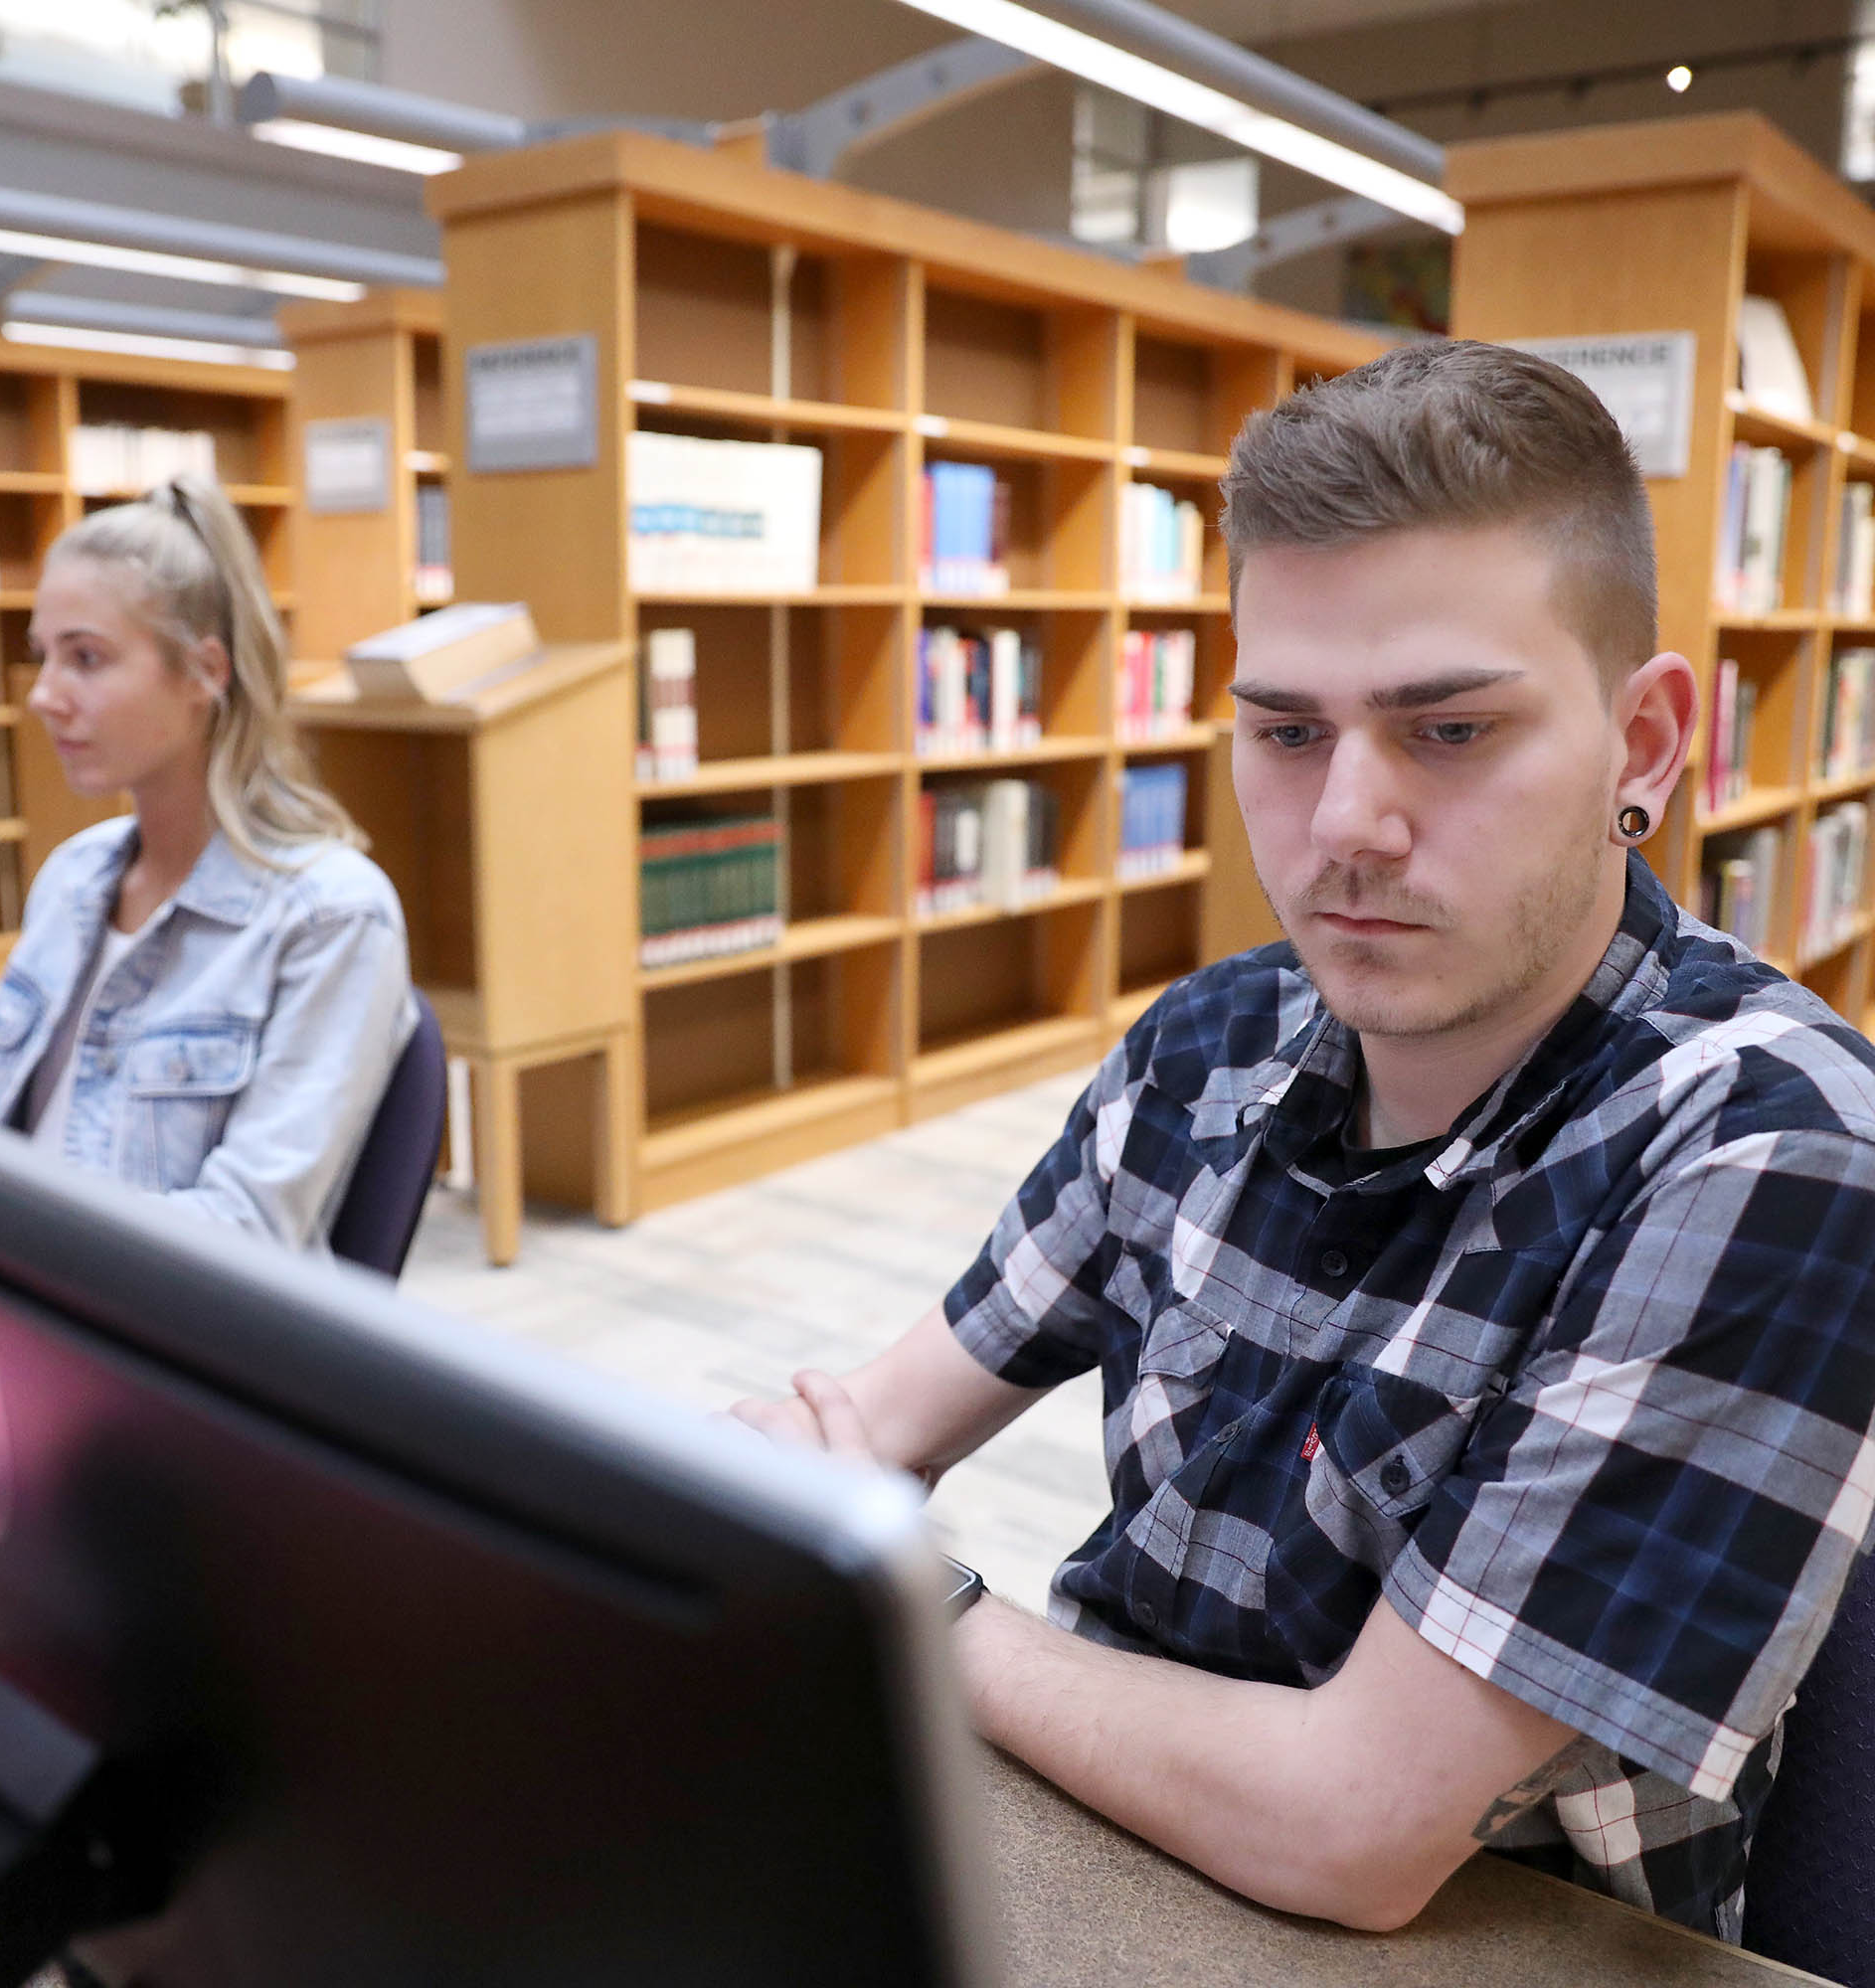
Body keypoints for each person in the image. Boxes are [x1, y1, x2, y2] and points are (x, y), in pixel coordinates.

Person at [736, 341, 1875, 1941]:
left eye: (1451, 732)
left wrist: (910, 1600)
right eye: (1285, 734)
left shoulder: (1769, 1145)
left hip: (1489, 1946)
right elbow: (868, 1421)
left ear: (1643, 746)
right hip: (1107, 1847)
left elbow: (1357, 1829)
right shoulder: (1211, 1044)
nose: (1346, 824)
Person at [0, 478, 413, 1252]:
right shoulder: (72, 878)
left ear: (205, 671)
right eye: (44, 657)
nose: (45, 696)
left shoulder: (330, 916)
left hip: (147, 1336)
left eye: (86, 659)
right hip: (11, 1294)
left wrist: (16, 1240)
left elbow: (244, 1234)